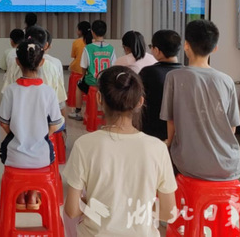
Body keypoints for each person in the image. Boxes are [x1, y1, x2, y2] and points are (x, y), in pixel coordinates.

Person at [63, 66, 177, 236]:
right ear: (140, 102)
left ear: (99, 98)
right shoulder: (157, 148)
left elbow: (72, 210)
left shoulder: (84, 145)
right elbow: (168, 212)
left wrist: (92, 203)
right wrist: (135, 207)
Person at [160, 20, 240, 180]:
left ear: (186, 45)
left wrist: (169, 143)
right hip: (229, 165)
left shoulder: (174, 77)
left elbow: (171, 121)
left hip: (189, 165)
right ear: (215, 48)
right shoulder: (226, 80)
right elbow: (232, 127)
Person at [0, 40, 64, 209]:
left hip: (14, 157)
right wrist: (41, 136)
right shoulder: (48, 92)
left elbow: (3, 123)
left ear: (17, 61)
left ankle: (20, 196)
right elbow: (56, 124)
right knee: (48, 151)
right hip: (42, 158)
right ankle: (33, 195)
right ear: (42, 62)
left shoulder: (10, 90)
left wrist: (19, 134)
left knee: (5, 148)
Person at [139, 30, 182, 140]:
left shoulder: (148, 73)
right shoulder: (186, 73)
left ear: (157, 50)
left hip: (152, 133)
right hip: (180, 133)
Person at [68, 20, 116, 121]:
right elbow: (113, 66)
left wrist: (83, 76)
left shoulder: (88, 48)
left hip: (92, 81)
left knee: (79, 85)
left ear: (92, 32)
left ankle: (77, 112)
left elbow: (84, 66)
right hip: (106, 82)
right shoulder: (111, 48)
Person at [68, 21, 92, 101]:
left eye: (77, 29)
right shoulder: (94, 42)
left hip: (77, 69)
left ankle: (73, 102)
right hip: (90, 71)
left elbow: (74, 56)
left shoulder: (76, 42)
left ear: (80, 31)